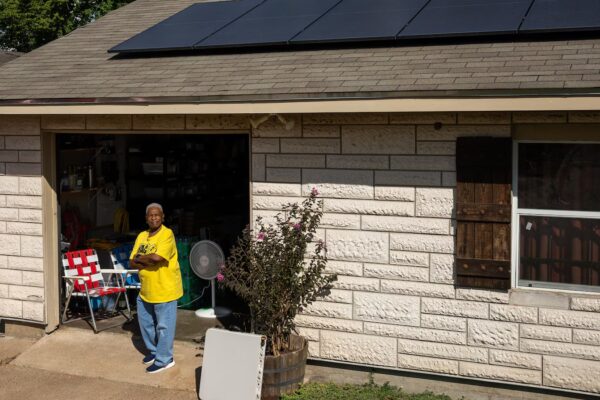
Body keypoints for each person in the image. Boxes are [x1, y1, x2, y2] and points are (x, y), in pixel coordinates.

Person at [129, 203, 183, 373]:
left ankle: (165, 359)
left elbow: (157, 258)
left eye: (157, 215)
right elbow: (131, 262)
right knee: (146, 324)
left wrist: (140, 258)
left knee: (164, 327)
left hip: (164, 289)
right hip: (146, 290)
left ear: (163, 217)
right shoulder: (141, 236)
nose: (154, 218)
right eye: (150, 215)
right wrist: (146, 259)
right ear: (146, 218)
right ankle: (154, 351)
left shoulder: (167, 234)